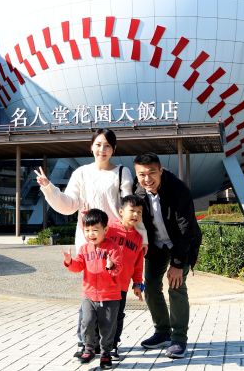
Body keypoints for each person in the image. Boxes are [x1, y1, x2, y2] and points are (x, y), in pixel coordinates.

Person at [35, 128, 148, 356]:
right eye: (98, 144)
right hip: (90, 242)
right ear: (91, 147)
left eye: (107, 145)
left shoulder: (122, 172)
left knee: (114, 297)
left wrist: (141, 235)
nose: (102, 150)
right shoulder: (81, 173)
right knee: (90, 293)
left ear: (114, 149)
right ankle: (86, 343)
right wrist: (48, 187)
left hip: (116, 244)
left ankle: (109, 344)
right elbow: (68, 204)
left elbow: (129, 207)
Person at [133, 152, 202, 359]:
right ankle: (162, 331)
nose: (147, 179)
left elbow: (186, 229)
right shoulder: (138, 192)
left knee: (176, 285)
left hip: (181, 243)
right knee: (152, 286)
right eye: (142, 174)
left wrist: (178, 263)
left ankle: (179, 339)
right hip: (156, 245)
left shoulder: (178, 189)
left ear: (161, 170)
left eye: (152, 173)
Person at [63, 208, 123, 370]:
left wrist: (111, 266)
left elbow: (118, 270)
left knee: (107, 326)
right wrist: (69, 261)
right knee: (87, 321)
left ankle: (105, 354)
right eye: (87, 230)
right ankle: (89, 349)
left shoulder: (113, 248)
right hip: (89, 295)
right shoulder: (84, 249)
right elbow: (78, 266)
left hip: (110, 297)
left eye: (95, 230)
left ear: (105, 229)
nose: (91, 234)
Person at [104, 194, 146, 358]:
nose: (136, 215)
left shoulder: (138, 238)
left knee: (118, 316)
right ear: (121, 211)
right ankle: (94, 344)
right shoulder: (109, 229)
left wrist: (137, 284)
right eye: (132, 211)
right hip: (104, 283)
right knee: (99, 315)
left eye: (139, 212)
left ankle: (113, 344)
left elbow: (138, 265)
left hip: (121, 286)